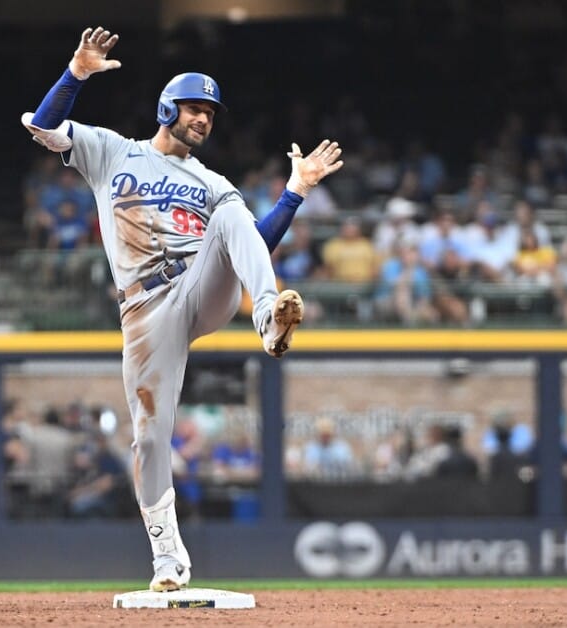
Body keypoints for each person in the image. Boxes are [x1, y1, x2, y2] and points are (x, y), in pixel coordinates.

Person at [22, 26, 343, 591]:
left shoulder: (213, 182)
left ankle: (268, 316)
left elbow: (250, 243)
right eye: (195, 108)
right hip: (145, 307)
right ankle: (167, 559)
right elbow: (44, 126)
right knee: (149, 435)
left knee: (230, 215)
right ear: (168, 107)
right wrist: (76, 74)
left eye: (210, 114)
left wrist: (294, 191)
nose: (203, 119)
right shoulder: (113, 151)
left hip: (201, 285)